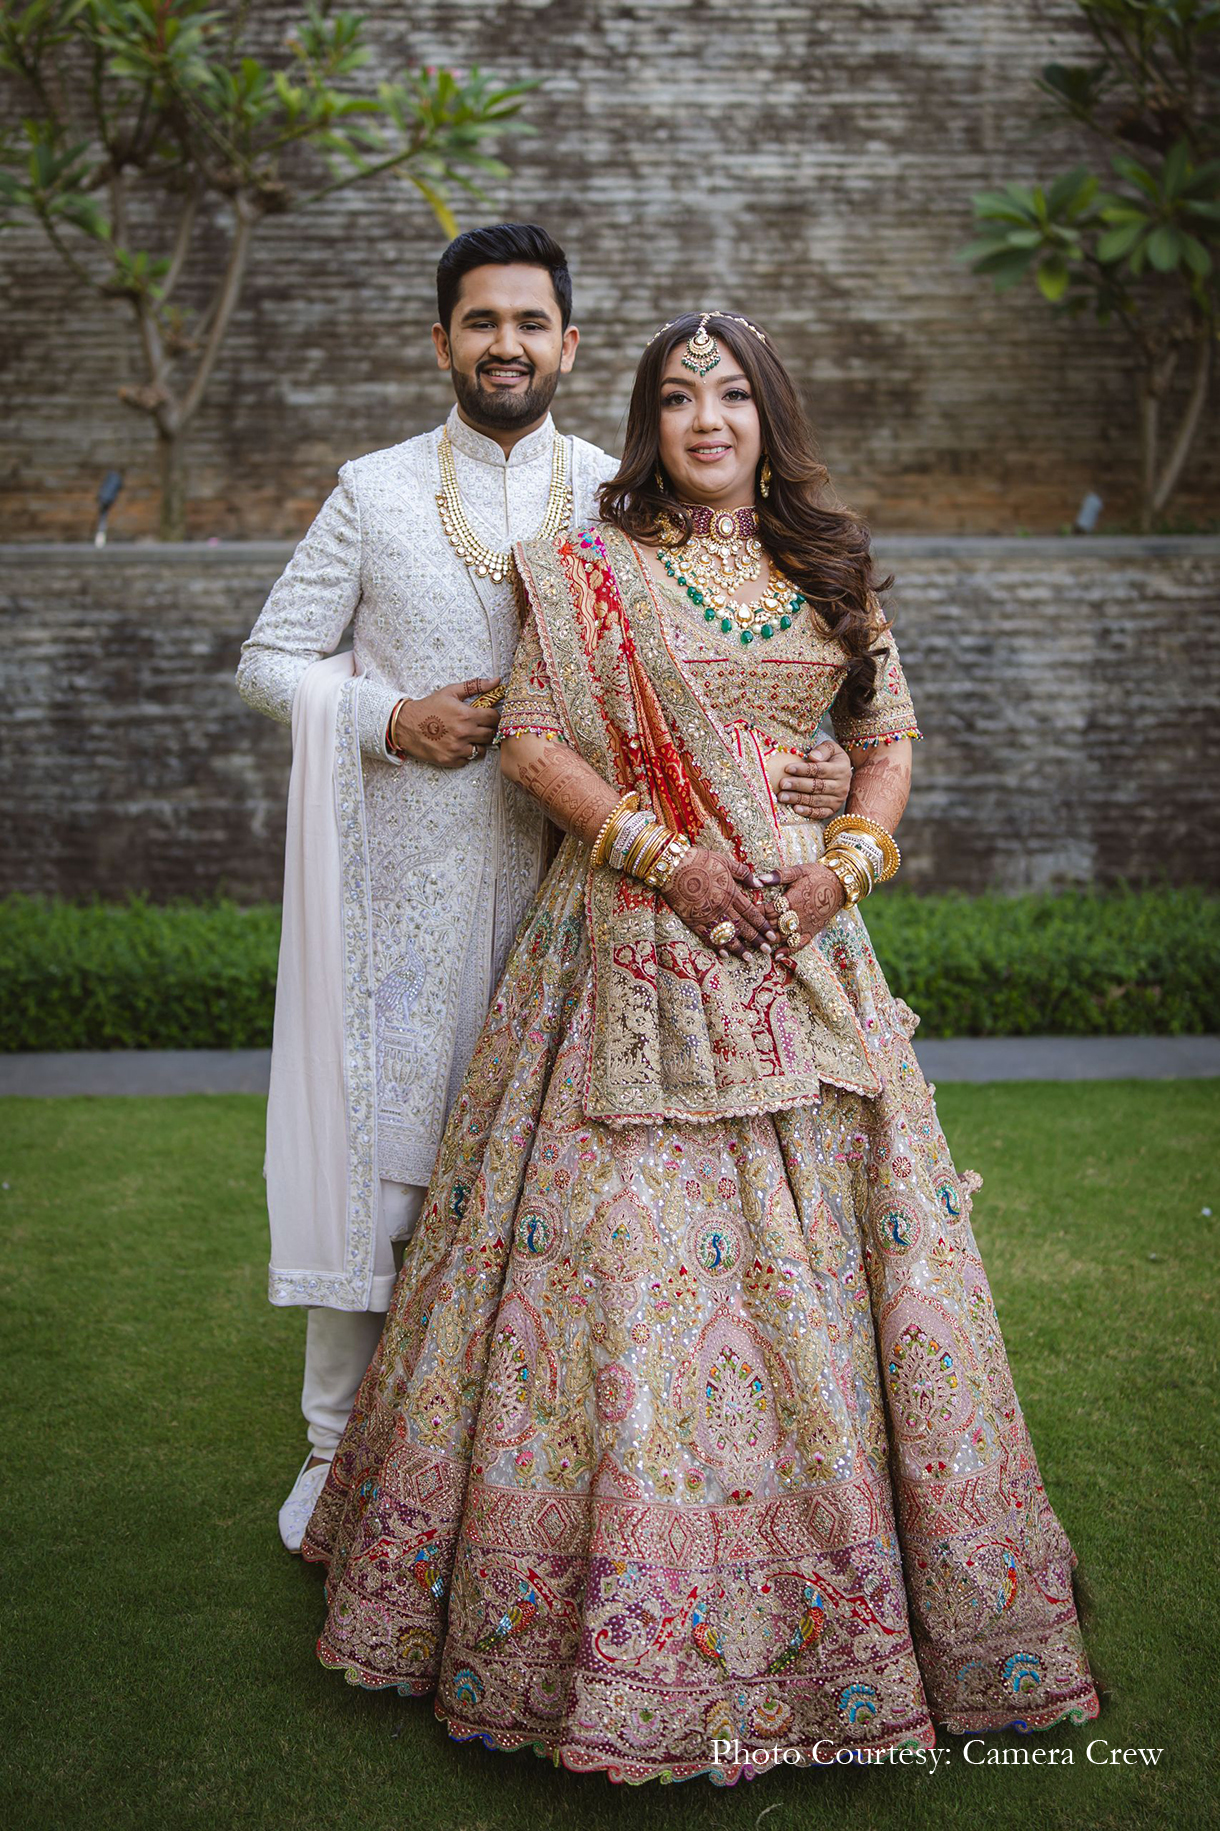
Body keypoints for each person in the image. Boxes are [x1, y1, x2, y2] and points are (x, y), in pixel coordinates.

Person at [302, 310, 1098, 1784]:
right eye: (678, 396)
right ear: (651, 420)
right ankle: (588, 1624)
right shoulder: (594, 571)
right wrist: (672, 863)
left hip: (804, 952)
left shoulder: (830, 566)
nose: (707, 417)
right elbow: (538, 740)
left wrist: (843, 856)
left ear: (768, 416)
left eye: (731, 394)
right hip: (624, 950)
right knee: (606, 1280)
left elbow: (890, 736)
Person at [236, 236, 850, 1553]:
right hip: (409, 872)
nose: (504, 342)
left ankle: (508, 1457)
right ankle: (332, 1450)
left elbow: (737, 654)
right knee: (380, 1173)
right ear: (443, 341)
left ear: (571, 347)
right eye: (480, 322)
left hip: (583, 887)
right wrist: (386, 715)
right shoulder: (373, 490)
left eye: (531, 322)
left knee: (547, 1198)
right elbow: (268, 660)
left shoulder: (617, 499)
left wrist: (818, 758)